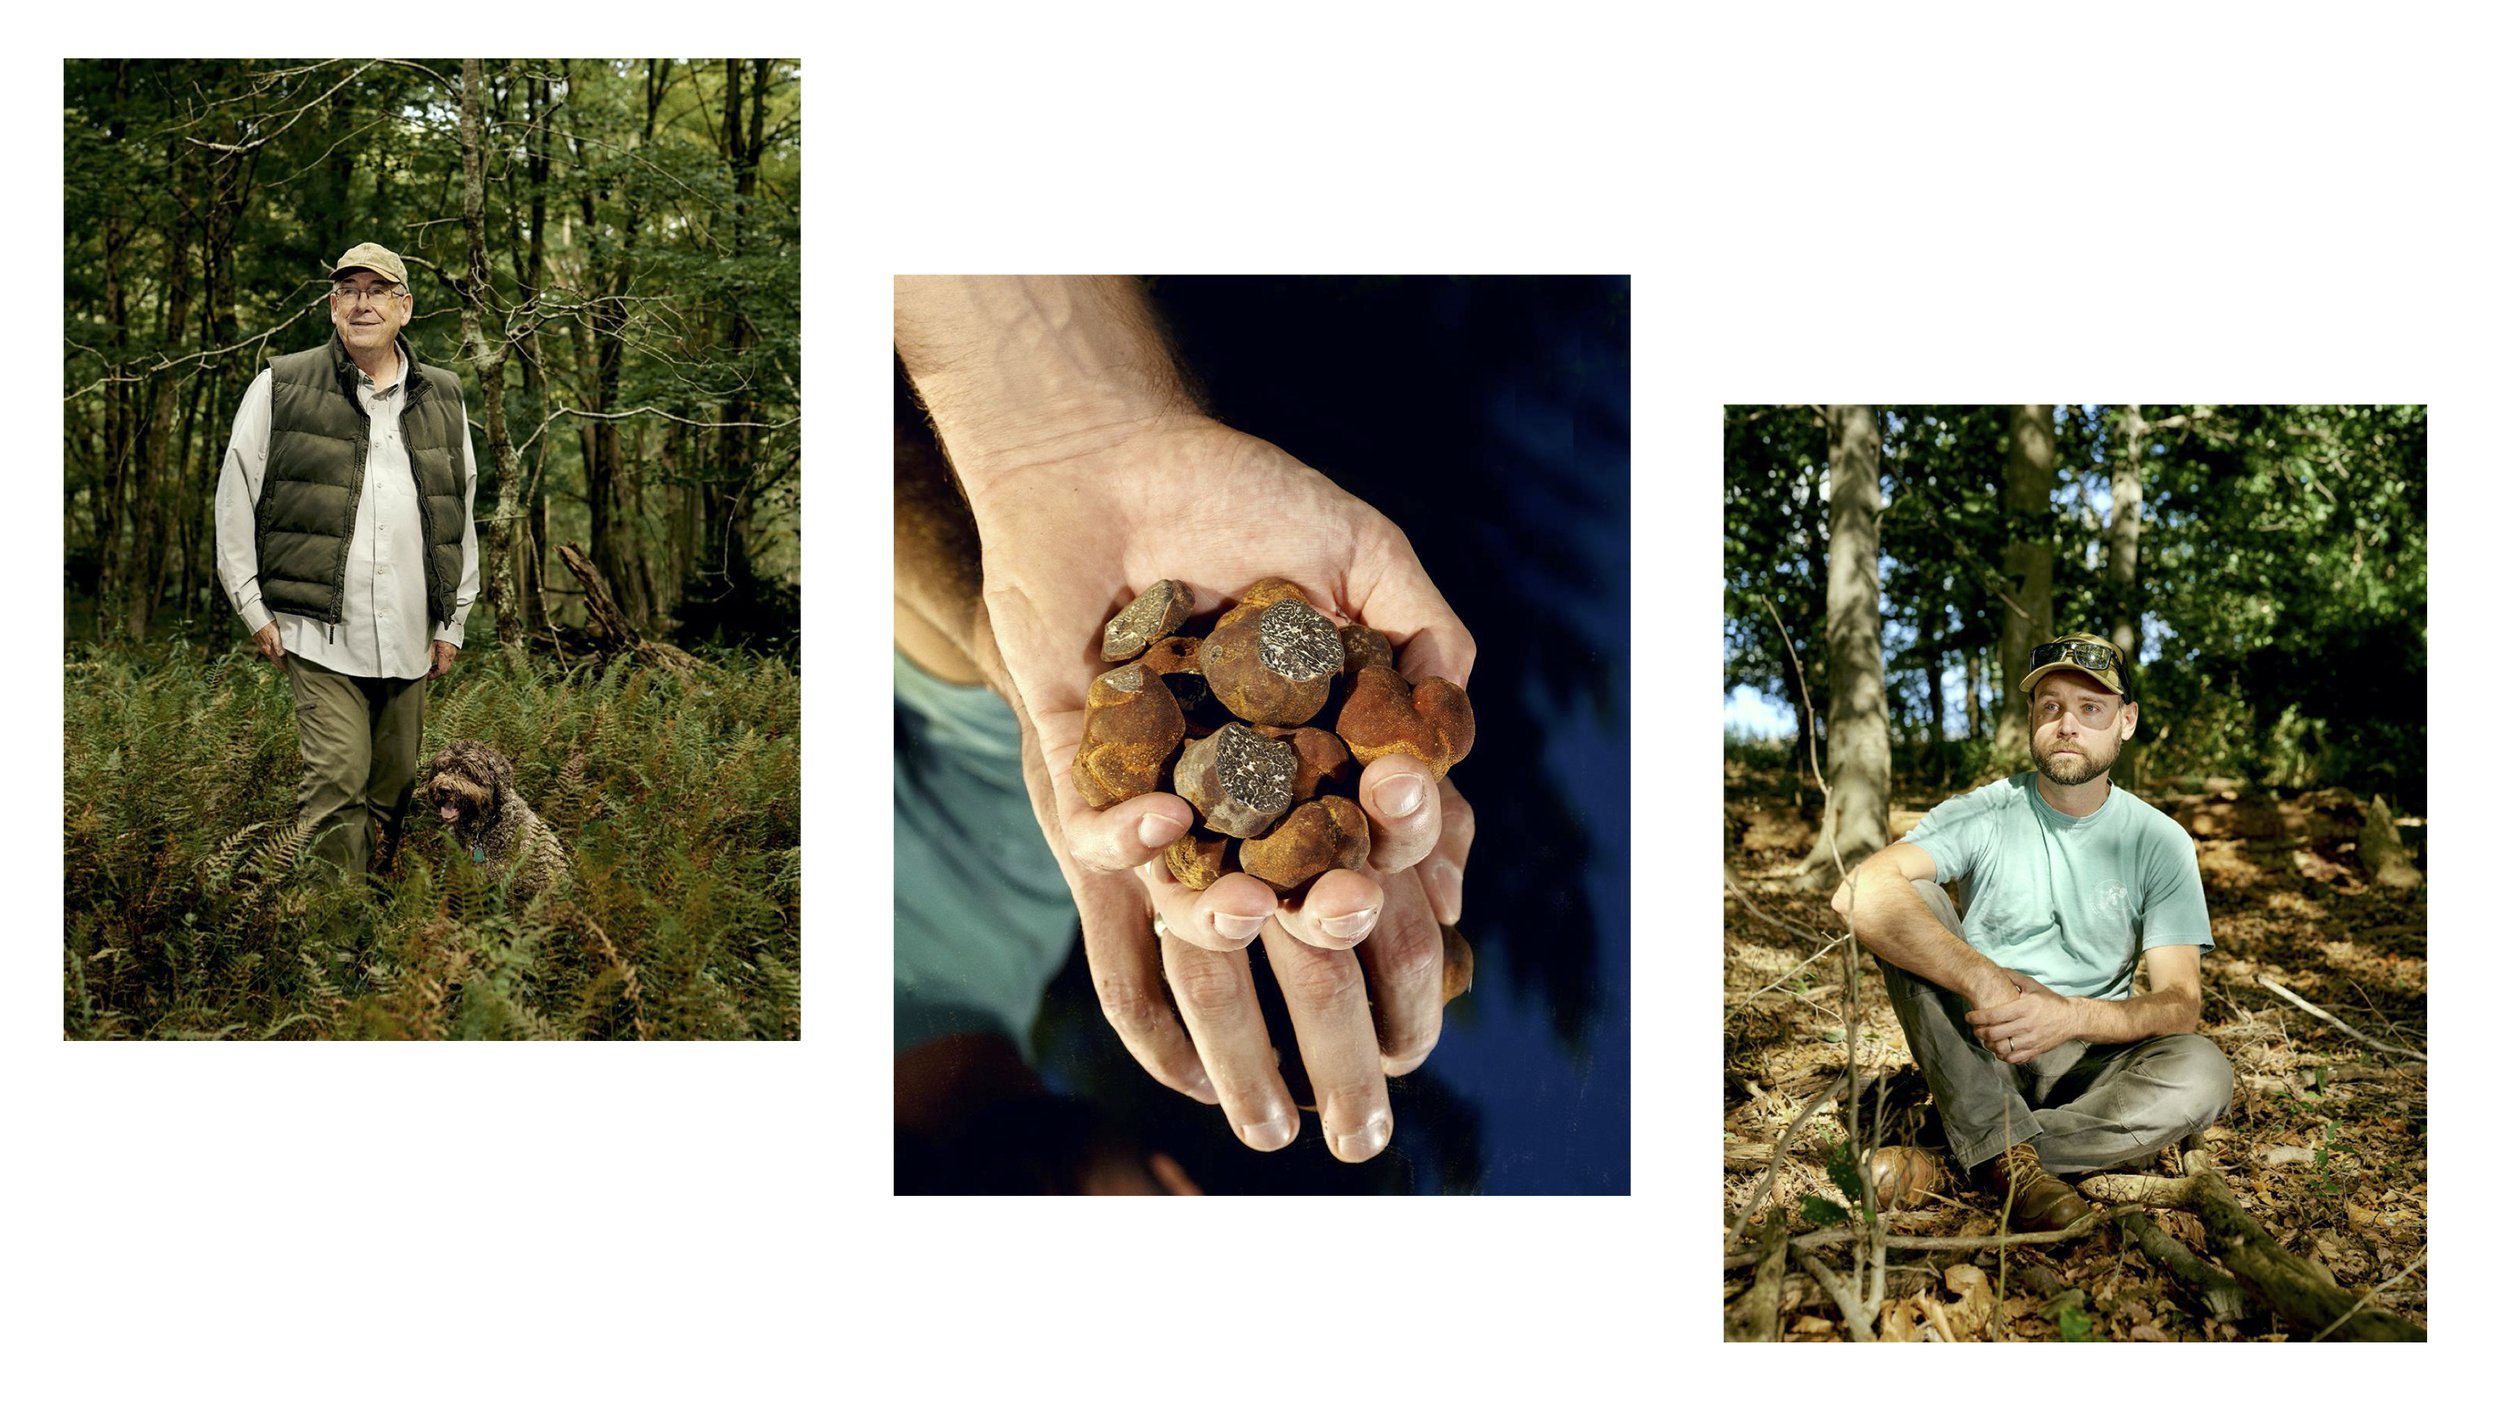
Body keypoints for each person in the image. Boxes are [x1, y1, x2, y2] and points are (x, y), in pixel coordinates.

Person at [892, 276, 1477, 1166]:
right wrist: (1079, 440)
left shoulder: (1035, 882)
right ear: (1176, 1187)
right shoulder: (1010, 895)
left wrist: (1037, 514)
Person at [1831, 633, 2234, 1231]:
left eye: (2090, 708)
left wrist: (2068, 1016)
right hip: (1982, 1047)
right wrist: (1986, 981)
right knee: (1903, 894)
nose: (2067, 724)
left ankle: (1963, 1160)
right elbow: (1858, 890)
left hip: (2090, 1063)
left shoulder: (2160, 841)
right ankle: (2000, 1144)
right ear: (2032, 720)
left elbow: (2180, 1004)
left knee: (2204, 1071)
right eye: (2051, 707)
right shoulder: (1986, 811)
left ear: (2126, 722)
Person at [213, 242, 480, 882]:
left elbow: (460, 510)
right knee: (336, 779)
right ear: (334, 306)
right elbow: (234, 500)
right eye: (350, 291)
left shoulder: (444, 394)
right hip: (318, 629)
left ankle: (376, 932)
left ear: (404, 307)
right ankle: (330, 943)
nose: (363, 303)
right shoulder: (281, 384)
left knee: (396, 786)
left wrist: (454, 620)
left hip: (412, 632)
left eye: (378, 290)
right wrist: (252, 608)